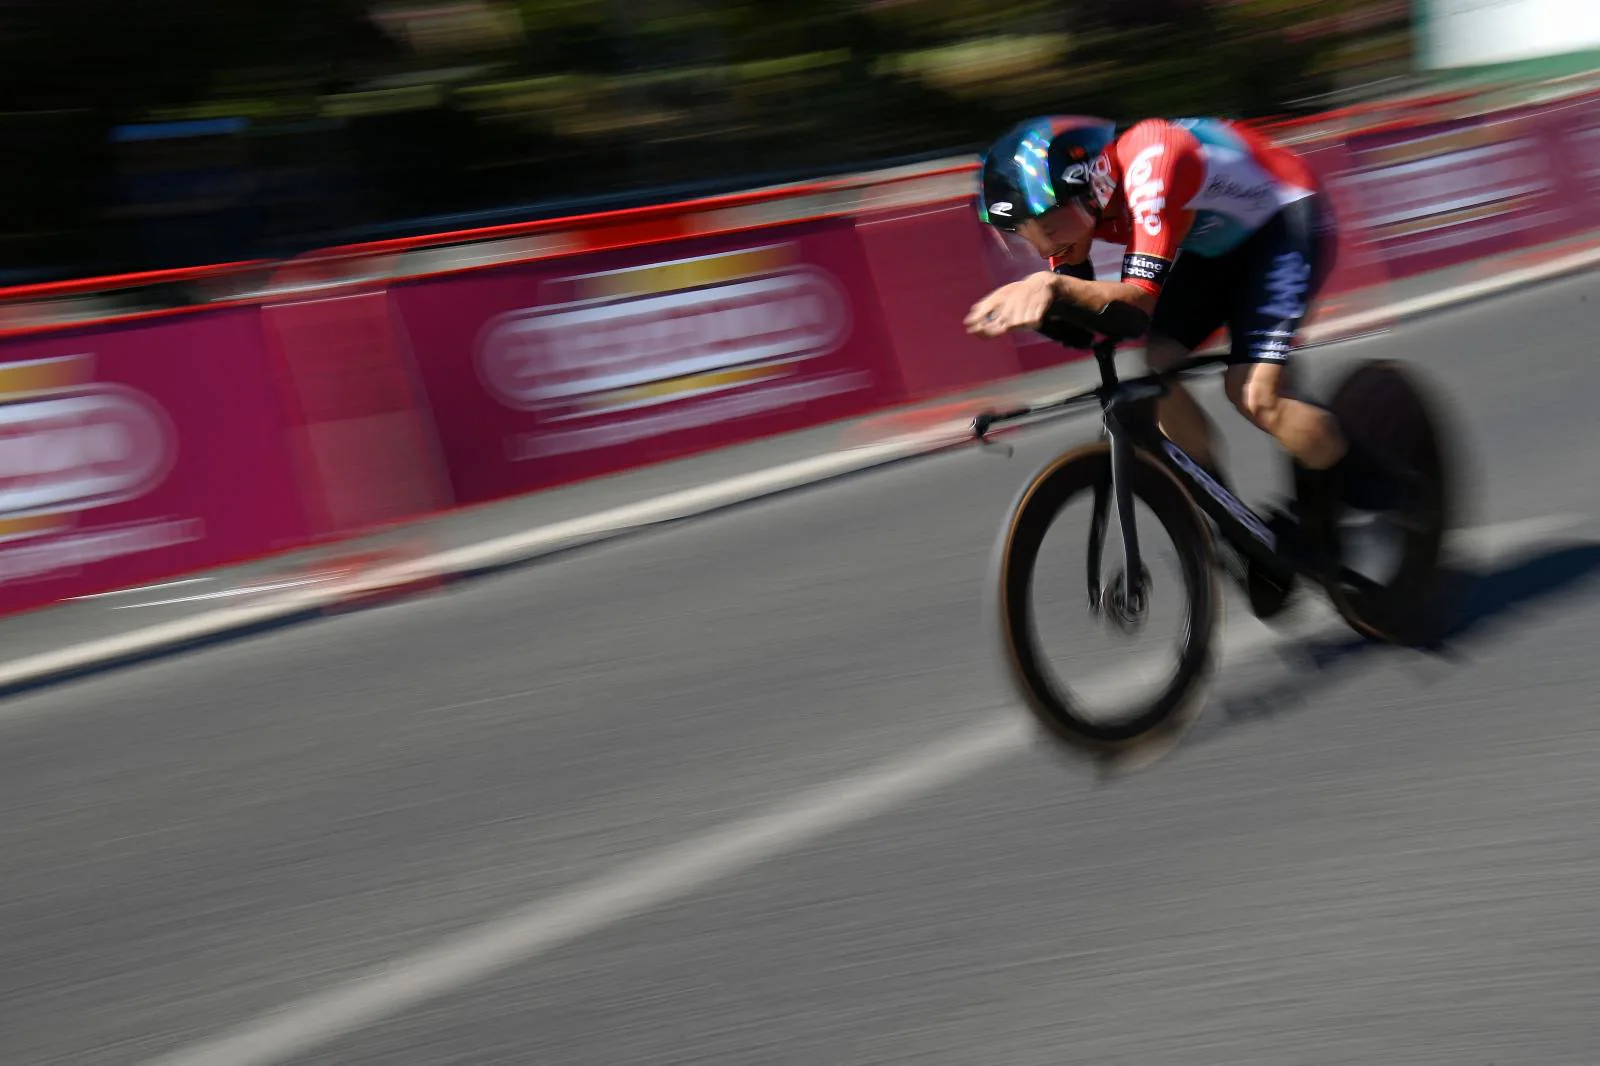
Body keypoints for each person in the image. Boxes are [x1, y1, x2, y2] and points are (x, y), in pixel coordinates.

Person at [963, 113, 1397, 563]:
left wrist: (1052, 289)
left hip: (1283, 222)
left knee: (1254, 394)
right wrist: (1046, 309)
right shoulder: (1080, 212)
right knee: (1159, 370)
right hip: (1215, 242)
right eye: (1024, 234)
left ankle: (1378, 485)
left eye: (1048, 226)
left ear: (1090, 185)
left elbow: (1136, 301)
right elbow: (1096, 322)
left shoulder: (1151, 161)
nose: (1043, 248)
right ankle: (1236, 527)